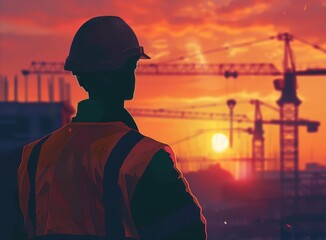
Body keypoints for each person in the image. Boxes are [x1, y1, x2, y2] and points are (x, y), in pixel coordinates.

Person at [17, 16, 207, 240]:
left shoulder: (34, 157)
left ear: (80, 78)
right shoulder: (143, 159)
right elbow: (189, 233)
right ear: (124, 72)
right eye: (132, 67)